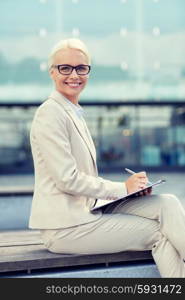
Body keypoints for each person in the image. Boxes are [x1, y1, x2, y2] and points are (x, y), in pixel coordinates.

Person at [29, 38, 185, 278]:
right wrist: (122, 188)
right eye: (65, 68)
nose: (74, 75)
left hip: (89, 211)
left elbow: (82, 177)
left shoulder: (73, 112)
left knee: (168, 204)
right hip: (66, 228)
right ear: (52, 72)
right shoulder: (50, 113)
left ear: (88, 72)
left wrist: (132, 191)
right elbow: (66, 179)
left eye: (81, 68)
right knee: (158, 232)